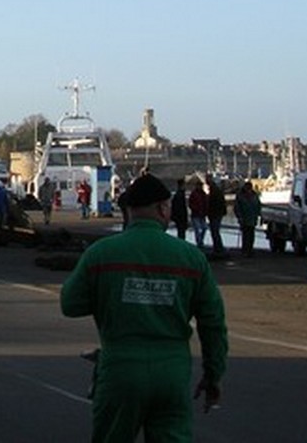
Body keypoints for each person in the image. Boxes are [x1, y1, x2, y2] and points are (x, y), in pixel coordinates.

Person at [60, 173, 228, 442]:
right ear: (163, 208)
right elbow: (213, 324)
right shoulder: (191, 258)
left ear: (128, 211)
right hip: (172, 374)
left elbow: (70, 304)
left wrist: (112, 296)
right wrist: (214, 374)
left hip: (120, 369)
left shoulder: (102, 253)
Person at [233, 181, 262, 258]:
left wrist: (258, 215)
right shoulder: (240, 196)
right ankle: (245, 250)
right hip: (244, 218)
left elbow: (258, 206)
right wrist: (239, 217)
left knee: (251, 235)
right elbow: (237, 208)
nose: (249, 189)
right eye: (247, 188)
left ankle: (250, 249)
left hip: (252, 218)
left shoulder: (254, 195)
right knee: (245, 235)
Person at [206, 176, 227, 256]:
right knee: (215, 232)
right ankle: (218, 248)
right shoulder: (216, 190)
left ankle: (218, 248)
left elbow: (213, 204)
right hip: (217, 213)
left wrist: (209, 213)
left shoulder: (214, 191)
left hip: (215, 214)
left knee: (215, 232)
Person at [187, 178, 208, 249]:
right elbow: (190, 203)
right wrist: (195, 208)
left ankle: (200, 241)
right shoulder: (193, 194)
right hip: (195, 214)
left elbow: (206, 203)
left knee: (204, 228)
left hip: (202, 214)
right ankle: (199, 243)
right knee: (197, 229)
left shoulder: (203, 194)